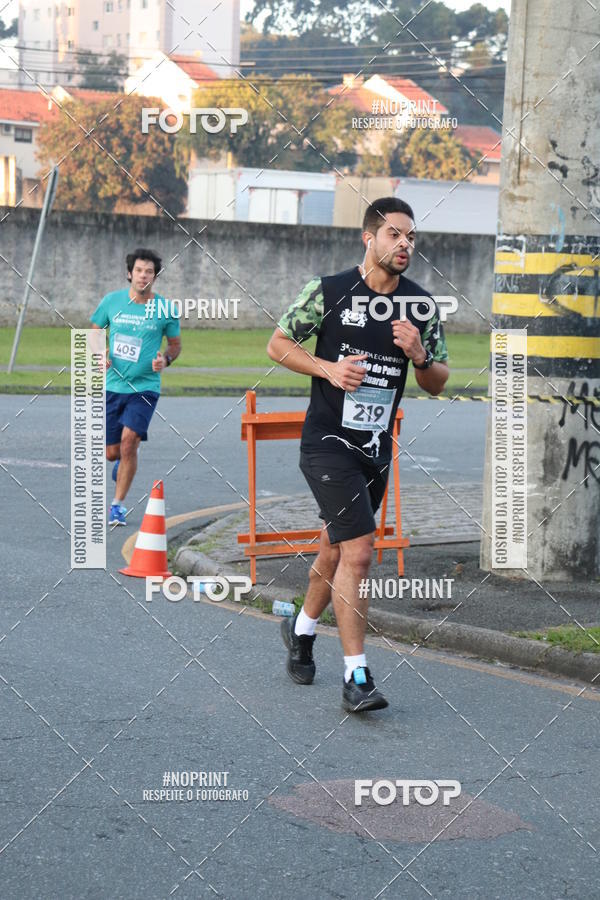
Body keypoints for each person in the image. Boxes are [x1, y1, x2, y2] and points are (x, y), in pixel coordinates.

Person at [267, 197, 449, 712]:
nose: (405, 244)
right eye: (394, 234)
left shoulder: (420, 306)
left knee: (335, 548)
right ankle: (357, 677)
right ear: (368, 238)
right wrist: (327, 368)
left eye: (411, 237)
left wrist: (419, 355)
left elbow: (437, 382)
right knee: (361, 551)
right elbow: (278, 344)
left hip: (375, 449)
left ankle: (302, 630)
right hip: (327, 443)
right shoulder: (327, 291)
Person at [91, 248, 181, 525]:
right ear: (130, 273)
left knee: (129, 442)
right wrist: (100, 353)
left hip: (145, 387)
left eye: (149, 272)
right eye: (139, 270)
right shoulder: (112, 301)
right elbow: (94, 333)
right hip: (113, 385)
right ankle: (122, 458)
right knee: (112, 453)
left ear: (155, 276)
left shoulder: (165, 309)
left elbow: (175, 345)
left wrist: (165, 360)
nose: (144, 276)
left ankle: (117, 505)